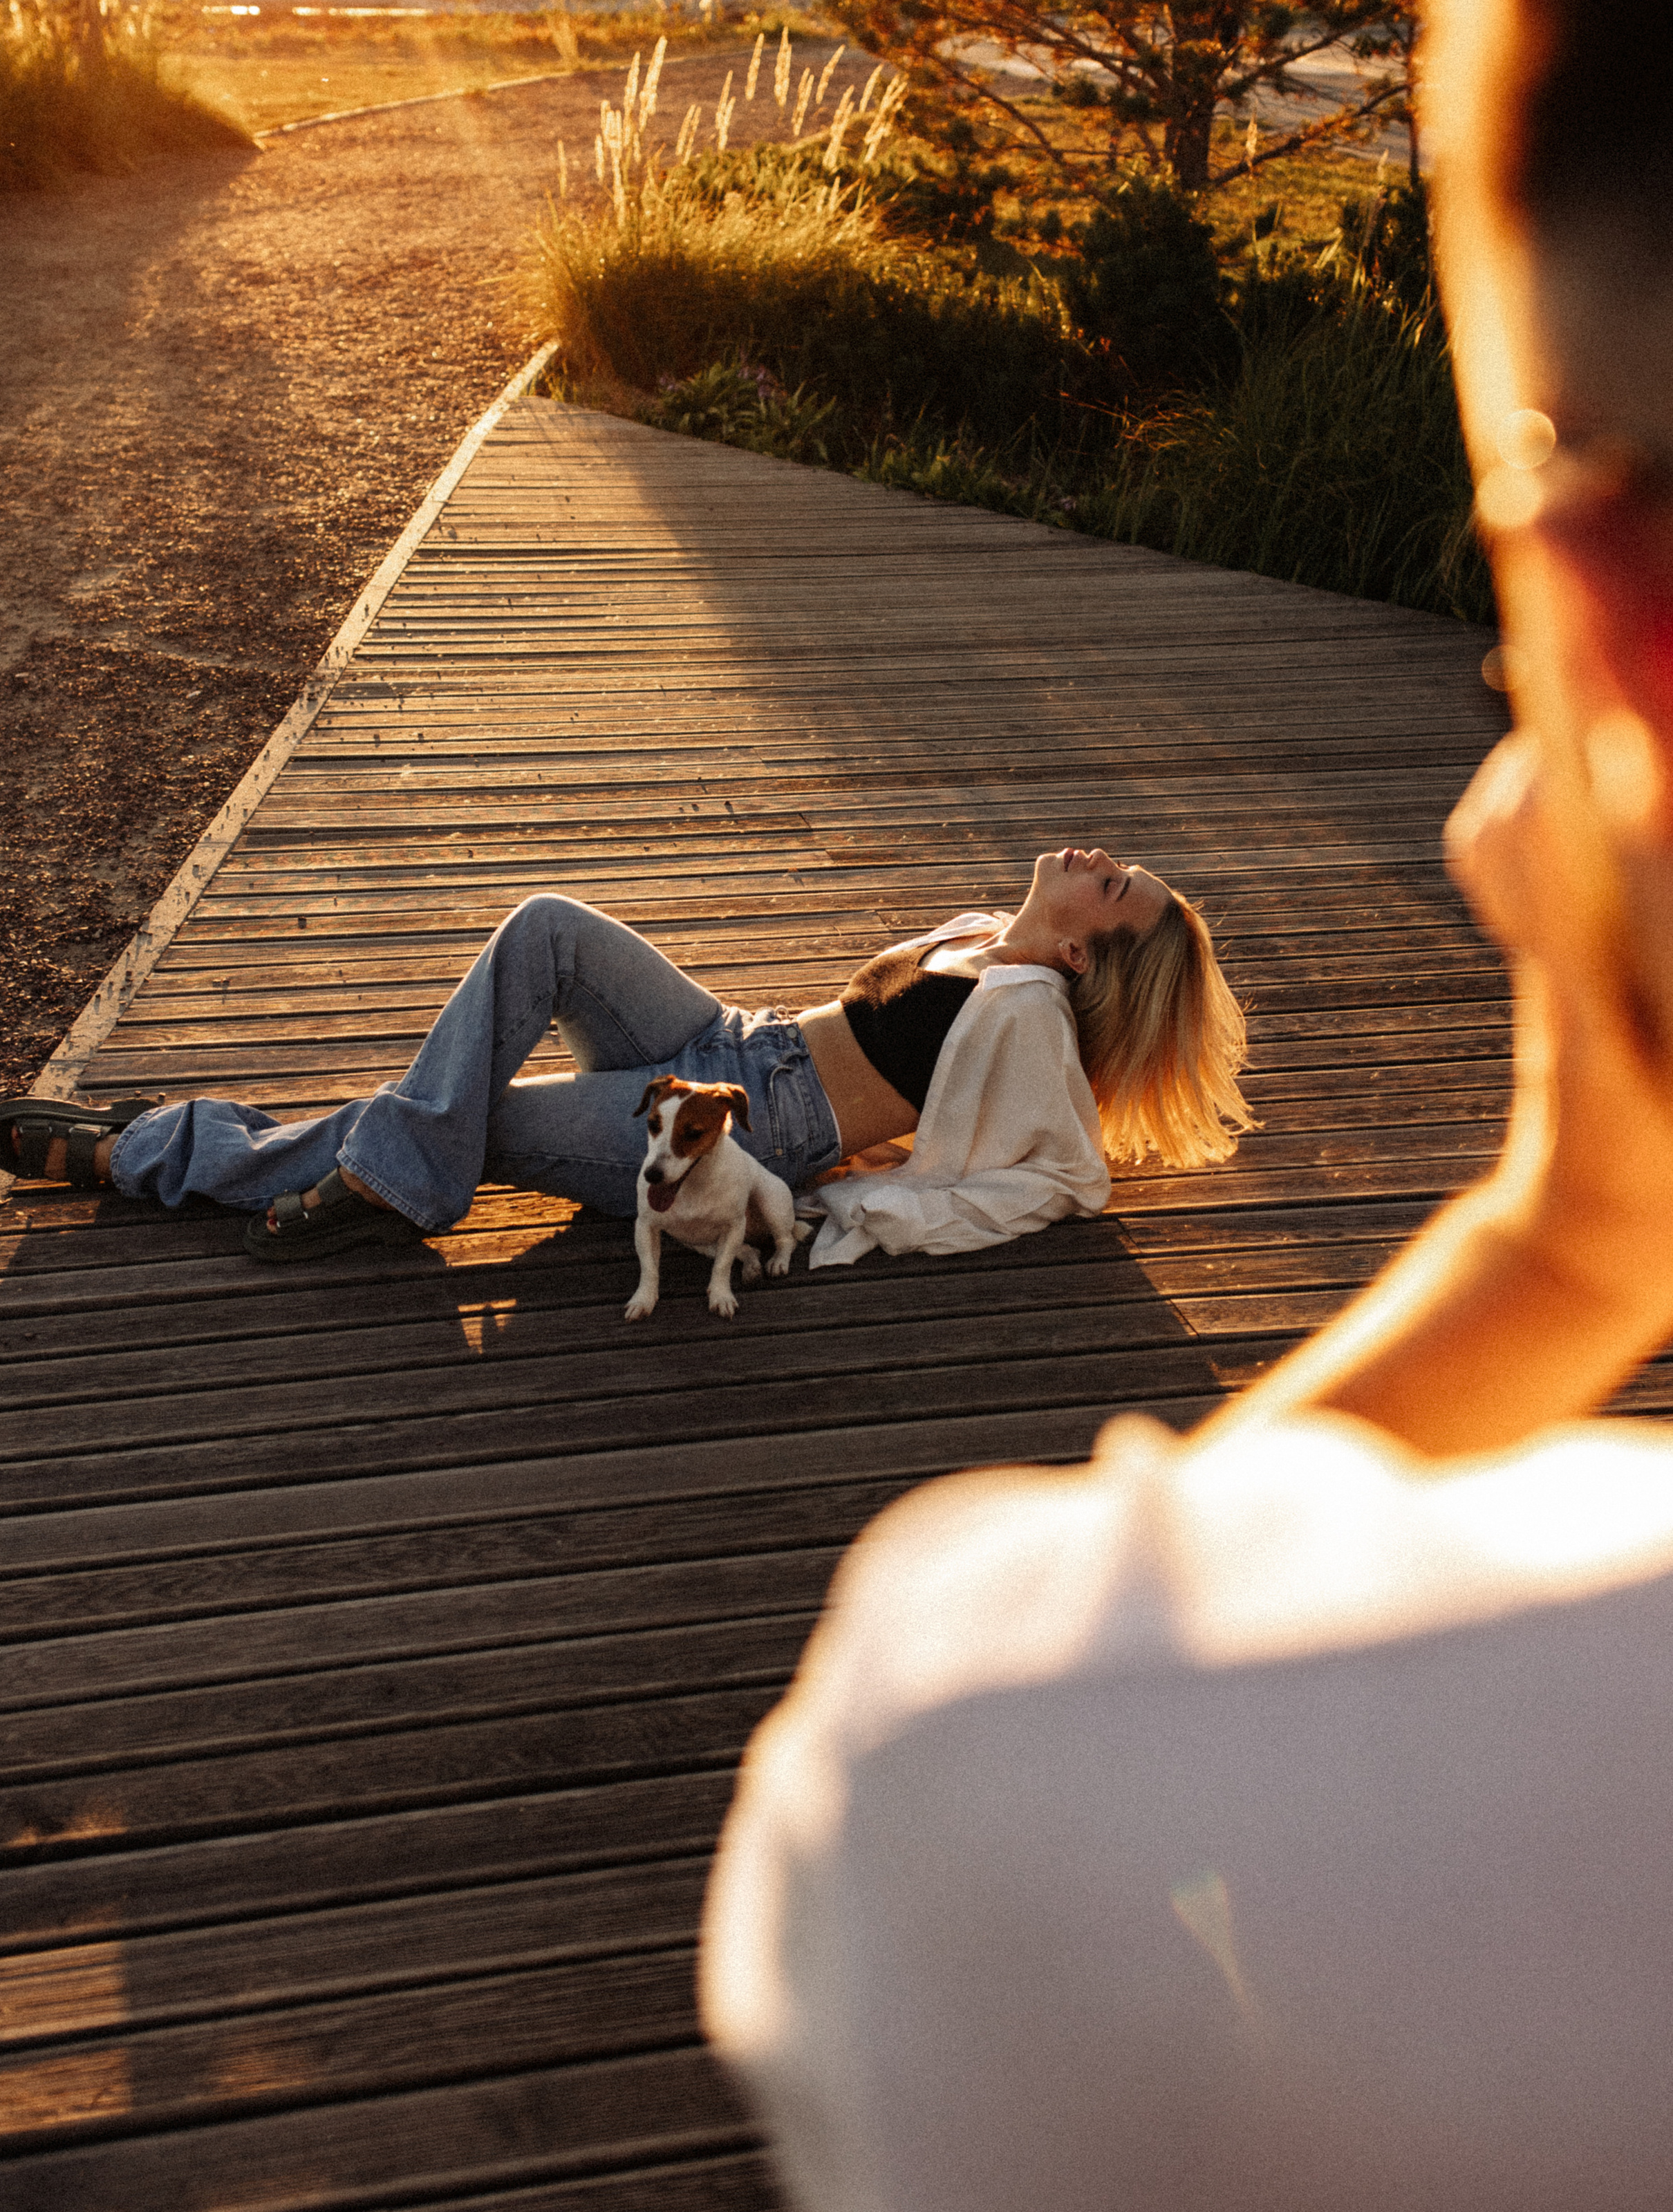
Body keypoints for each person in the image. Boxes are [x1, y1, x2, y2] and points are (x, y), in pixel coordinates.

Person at [698, 2, 1673, 2204]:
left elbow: (1035, 1750)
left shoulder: (1000, 1751)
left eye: (1516, 535)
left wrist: (1575, 1239)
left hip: (742, 1128)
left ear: (1621, 631)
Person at [0, 844, 1251, 1266]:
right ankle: (398, 1172)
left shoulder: (1031, 1010)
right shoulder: (991, 933)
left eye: (1116, 887)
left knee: (453, 1112)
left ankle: (149, 1149)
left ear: (1089, 958)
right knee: (545, 933)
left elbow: (1059, 1173)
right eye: (1115, 864)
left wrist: (853, 1208)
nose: (1099, 861)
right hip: (726, 1038)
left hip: (736, 1136)